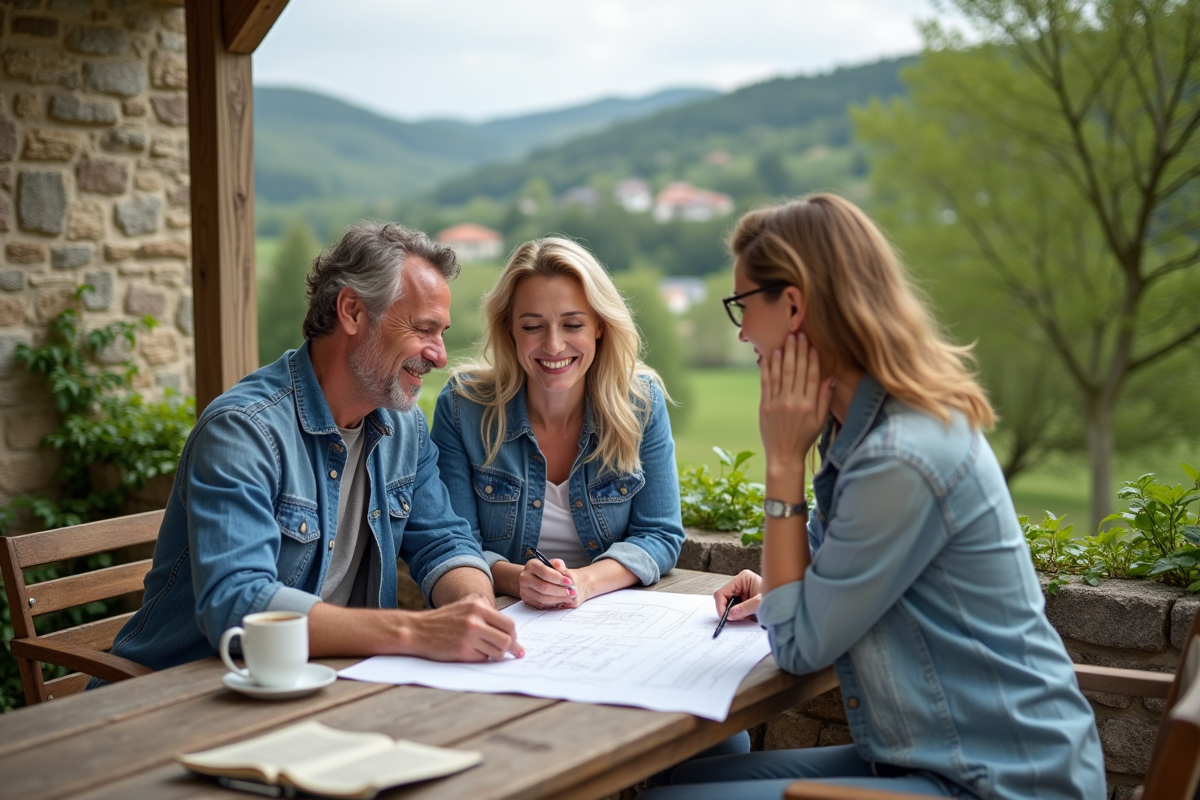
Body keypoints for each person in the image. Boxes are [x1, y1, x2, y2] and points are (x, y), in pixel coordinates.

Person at [642, 195, 1104, 800]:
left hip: (1000, 780)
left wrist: (783, 463)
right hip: (935, 756)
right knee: (684, 778)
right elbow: (823, 576)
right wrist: (778, 587)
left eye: (743, 306)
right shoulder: (858, 429)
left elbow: (800, 649)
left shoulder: (898, 458)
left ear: (793, 305)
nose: (743, 331)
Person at [104, 222, 523, 676]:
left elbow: (444, 542)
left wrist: (476, 611)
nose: (439, 355)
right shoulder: (243, 431)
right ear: (352, 311)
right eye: (424, 329)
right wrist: (416, 631)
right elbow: (238, 602)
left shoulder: (405, 428)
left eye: (441, 333)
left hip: (327, 684)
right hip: (190, 689)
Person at [431, 237, 686, 610]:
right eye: (533, 326)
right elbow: (455, 543)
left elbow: (660, 535)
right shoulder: (462, 407)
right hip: (503, 617)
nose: (553, 345)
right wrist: (522, 581)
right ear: (509, 328)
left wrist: (583, 582)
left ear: (599, 325)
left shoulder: (641, 404)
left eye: (572, 324)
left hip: (612, 618)